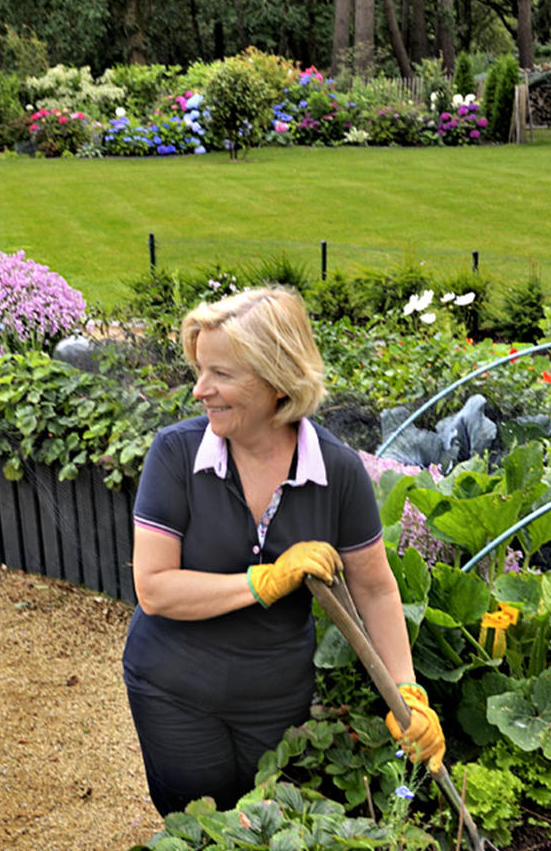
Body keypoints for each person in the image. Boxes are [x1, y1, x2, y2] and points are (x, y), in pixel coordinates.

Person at [122, 285, 445, 817]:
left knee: (265, 837)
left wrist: (406, 693)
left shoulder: (336, 471)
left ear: (277, 379)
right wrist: (263, 580)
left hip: (274, 701)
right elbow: (154, 588)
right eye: (200, 370)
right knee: (202, 838)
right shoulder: (176, 455)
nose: (200, 390)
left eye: (221, 374)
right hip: (173, 688)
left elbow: (375, 588)